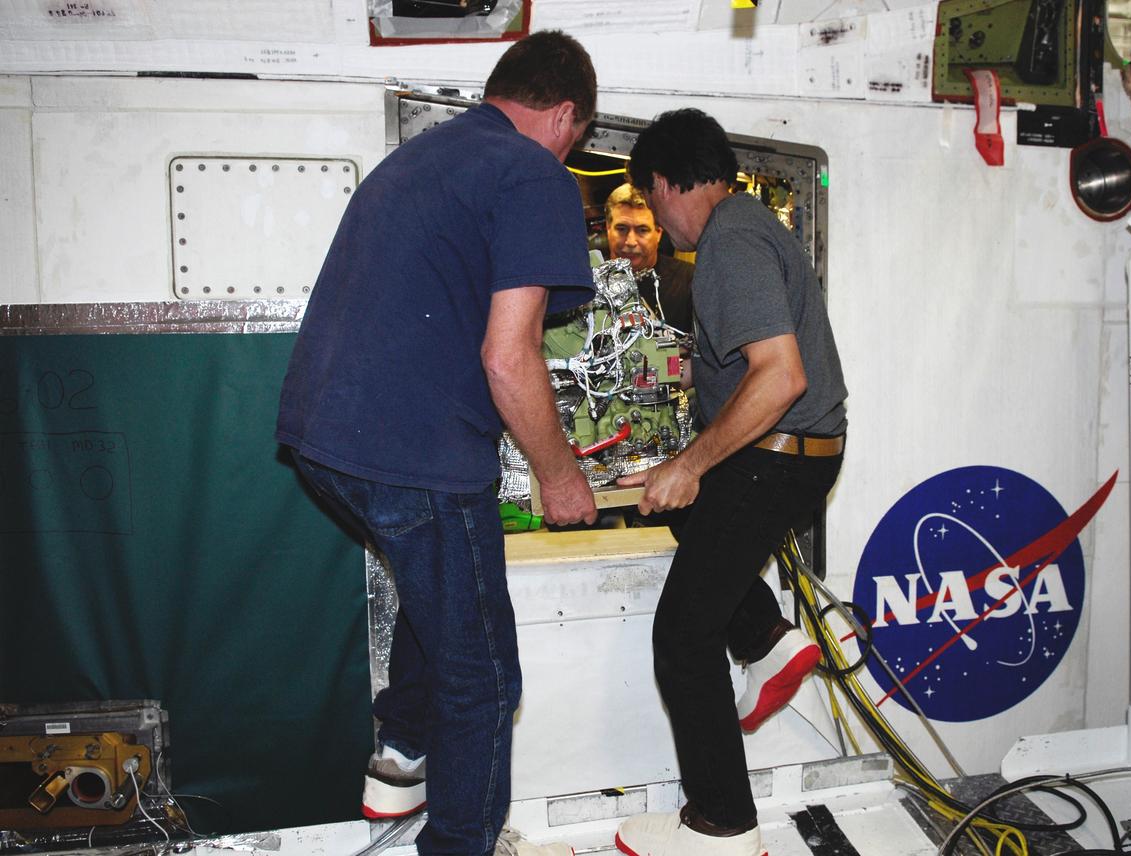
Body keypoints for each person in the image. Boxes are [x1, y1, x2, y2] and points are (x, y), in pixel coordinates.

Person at [275, 31, 599, 856]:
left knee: (437, 582)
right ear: (563, 115)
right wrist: (559, 478)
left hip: (322, 441)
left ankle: (400, 753)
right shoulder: (532, 170)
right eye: (578, 136)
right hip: (414, 455)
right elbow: (508, 354)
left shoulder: (420, 160)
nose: (573, 150)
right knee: (484, 679)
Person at [614, 108, 848, 856]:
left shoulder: (729, 240)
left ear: (662, 183)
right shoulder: (748, 225)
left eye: (650, 204)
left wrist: (691, 462)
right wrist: (681, 470)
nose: (657, 222)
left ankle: (723, 826)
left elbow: (780, 377)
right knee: (683, 508)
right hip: (790, 453)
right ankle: (768, 638)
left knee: (682, 636)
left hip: (777, 454)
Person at [604, 183, 695, 335]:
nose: (631, 241)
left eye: (642, 230)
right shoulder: (588, 282)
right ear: (608, 228)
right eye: (621, 229)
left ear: (659, 232)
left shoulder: (689, 281)